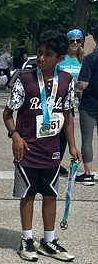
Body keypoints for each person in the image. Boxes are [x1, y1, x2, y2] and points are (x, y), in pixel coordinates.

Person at [3, 31, 79, 262]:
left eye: (48, 54)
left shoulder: (66, 81)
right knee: (28, 194)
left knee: (50, 195)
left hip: (53, 149)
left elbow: (68, 115)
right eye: (40, 53)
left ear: (60, 58)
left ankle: (49, 240)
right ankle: (26, 239)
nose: (42, 58)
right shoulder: (25, 80)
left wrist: (73, 146)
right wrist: (15, 135)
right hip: (26, 148)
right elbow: (8, 113)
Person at [56, 29, 84, 176]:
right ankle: (51, 162)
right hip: (57, 99)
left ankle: (57, 163)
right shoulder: (61, 59)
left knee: (65, 134)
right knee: (54, 132)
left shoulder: (82, 61)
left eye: (78, 41)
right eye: (72, 40)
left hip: (71, 102)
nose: (75, 43)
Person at [75, 24, 98, 186]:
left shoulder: (90, 58)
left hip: (90, 104)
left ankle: (88, 174)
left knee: (87, 138)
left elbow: (83, 84)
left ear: (95, 38)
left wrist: (73, 83)